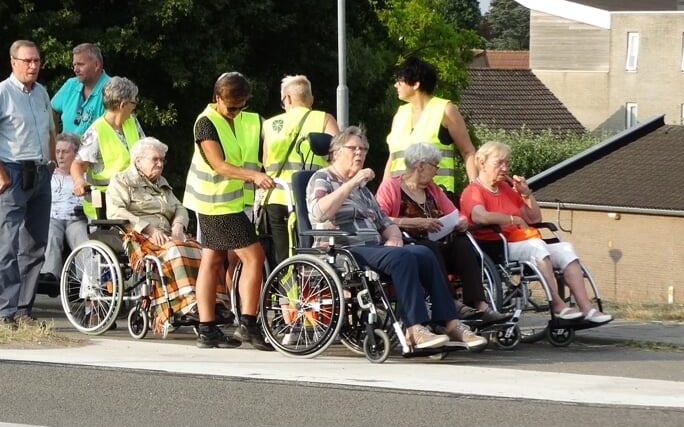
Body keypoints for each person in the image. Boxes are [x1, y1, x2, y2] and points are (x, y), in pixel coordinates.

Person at [306, 127, 486, 351]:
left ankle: (449, 323)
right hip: (343, 249)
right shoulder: (322, 178)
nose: (359, 153)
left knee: (423, 252)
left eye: (363, 149)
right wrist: (350, 184)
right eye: (353, 148)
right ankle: (413, 329)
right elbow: (319, 213)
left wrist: (394, 237)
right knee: (403, 258)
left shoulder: (363, 191)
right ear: (335, 153)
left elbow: (385, 222)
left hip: (374, 248)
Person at [460, 141, 612, 325]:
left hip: (521, 241)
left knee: (565, 248)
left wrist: (526, 194)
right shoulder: (473, 191)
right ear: (482, 162)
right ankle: (557, 304)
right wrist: (513, 220)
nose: (505, 167)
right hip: (495, 245)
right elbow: (480, 216)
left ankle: (586, 308)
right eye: (499, 163)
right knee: (538, 246)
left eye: (507, 163)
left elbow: (533, 218)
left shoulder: (506, 189)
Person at [0, 39, 55, 328]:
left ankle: (23, 309)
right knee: (10, 242)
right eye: (27, 61)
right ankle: (5, 310)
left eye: (37, 61)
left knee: (36, 244)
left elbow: (52, 129)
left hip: (40, 172)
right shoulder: (1, 93)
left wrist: (52, 163)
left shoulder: (41, 92)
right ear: (13, 62)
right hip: (14, 171)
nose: (33, 66)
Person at [182, 72, 273, 350]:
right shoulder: (206, 123)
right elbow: (218, 165)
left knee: (211, 261)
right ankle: (248, 323)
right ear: (216, 98)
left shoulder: (245, 119)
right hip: (215, 203)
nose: (236, 112)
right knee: (254, 257)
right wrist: (253, 176)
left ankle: (207, 329)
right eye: (231, 106)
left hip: (225, 202)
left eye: (241, 106)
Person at [375, 142, 510, 325]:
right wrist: (417, 223)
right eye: (435, 166)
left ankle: (480, 305)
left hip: (437, 244)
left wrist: (461, 221)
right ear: (420, 165)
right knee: (429, 248)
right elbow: (380, 219)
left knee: (462, 243)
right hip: (408, 247)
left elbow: (453, 212)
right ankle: (451, 304)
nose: (437, 171)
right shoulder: (391, 187)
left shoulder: (433, 189)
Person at [107, 137, 205, 335]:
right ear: (138, 161)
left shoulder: (162, 183)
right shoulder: (122, 180)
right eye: (155, 159)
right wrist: (148, 229)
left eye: (162, 160)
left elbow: (179, 207)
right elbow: (116, 212)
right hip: (139, 236)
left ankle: (208, 304)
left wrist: (178, 224)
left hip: (168, 234)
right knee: (175, 251)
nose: (160, 164)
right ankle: (186, 305)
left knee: (202, 251)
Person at [260, 74, 339, 263]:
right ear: (311, 98)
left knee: (281, 255)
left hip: (276, 196)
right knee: (313, 253)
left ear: (287, 98)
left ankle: (283, 289)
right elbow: (338, 156)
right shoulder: (324, 119)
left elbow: (265, 161)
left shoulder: (269, 125)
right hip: (312, 197)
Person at [384, 55, 477, 195]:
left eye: (400, 81)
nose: (396, 85)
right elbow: (393, 158)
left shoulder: (445, 109)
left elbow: (468, 151)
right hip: (400, 196)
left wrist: (475, 190)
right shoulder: (400, 115)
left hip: (437, 196)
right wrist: (384, 192)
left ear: (416, 84)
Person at [70, 76, 142, 217]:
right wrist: (79, 181)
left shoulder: (132, 122)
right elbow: (77, 164)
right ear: (122, 105)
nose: (134, 107)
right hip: (105, 205)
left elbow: (146, 152)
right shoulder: (96, 131)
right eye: (133, 103)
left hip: (133, 200)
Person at [42, 132, 88, 285]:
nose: (60, 156)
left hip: (76, 218)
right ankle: (49, 275)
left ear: (75, 154)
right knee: (51, 233)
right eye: (57, 152)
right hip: (52, 217)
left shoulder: (84, 177)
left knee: (82, 238)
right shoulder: (48, 175)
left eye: (65, 152)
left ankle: (86, 281)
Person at [51, 42, 110, 136]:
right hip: (66, 149)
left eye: (80, 64)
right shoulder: (71, 84)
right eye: (74, 65)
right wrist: (53, 140)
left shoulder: (112, 89)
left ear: (96, 65)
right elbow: (52, 108)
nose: (76, 69)